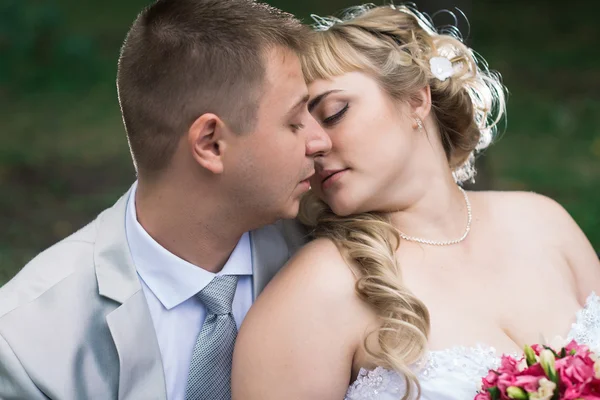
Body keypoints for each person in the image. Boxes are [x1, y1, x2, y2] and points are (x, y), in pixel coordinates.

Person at [232, 4, 600, 400]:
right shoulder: (315, 291)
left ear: (415, 99)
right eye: (296, 128)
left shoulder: (543, 223)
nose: (314, 144)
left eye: (333, 113)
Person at [0, 0, 330, 398]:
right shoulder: (26, 340)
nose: (320, 141)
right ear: (211, 144)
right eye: (295, 122)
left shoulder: (327, 250)